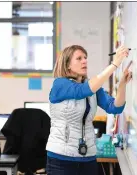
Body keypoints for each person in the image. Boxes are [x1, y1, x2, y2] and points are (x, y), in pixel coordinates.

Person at [46, 45, 131, 175]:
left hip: (88, 158)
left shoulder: (92, 87)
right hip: (61, 159)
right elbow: (82, 91)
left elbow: (115, 107)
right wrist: (115, 64)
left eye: (85, 58)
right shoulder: (60, 84)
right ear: (68, 64)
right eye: (79, 58)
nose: (84, 61)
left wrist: (122, 85)